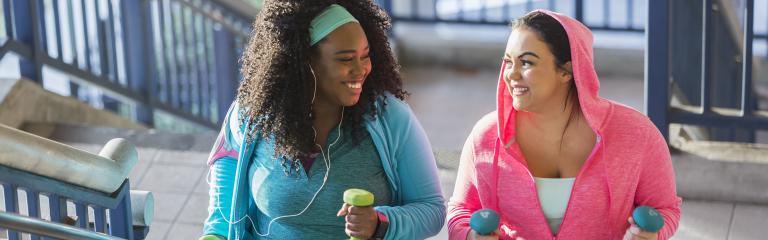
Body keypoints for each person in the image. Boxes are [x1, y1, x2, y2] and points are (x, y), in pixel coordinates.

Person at [200, 1, 445, 239]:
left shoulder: (391, 117)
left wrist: (379, 223)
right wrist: (214, 236)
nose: (361, 70)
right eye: (346, 59)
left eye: (365, 56)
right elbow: (223, 215)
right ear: (304, 61)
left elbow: (431, 209)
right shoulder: (253, 114)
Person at [447, 10, 682, 240]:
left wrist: (651, 235)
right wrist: (472, 236)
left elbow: (666, 209)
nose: (512, 74)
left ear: (567, 71)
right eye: (508, 62)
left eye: (526, 62)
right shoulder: (486, 137)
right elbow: (460, 211)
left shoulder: (636, 133)